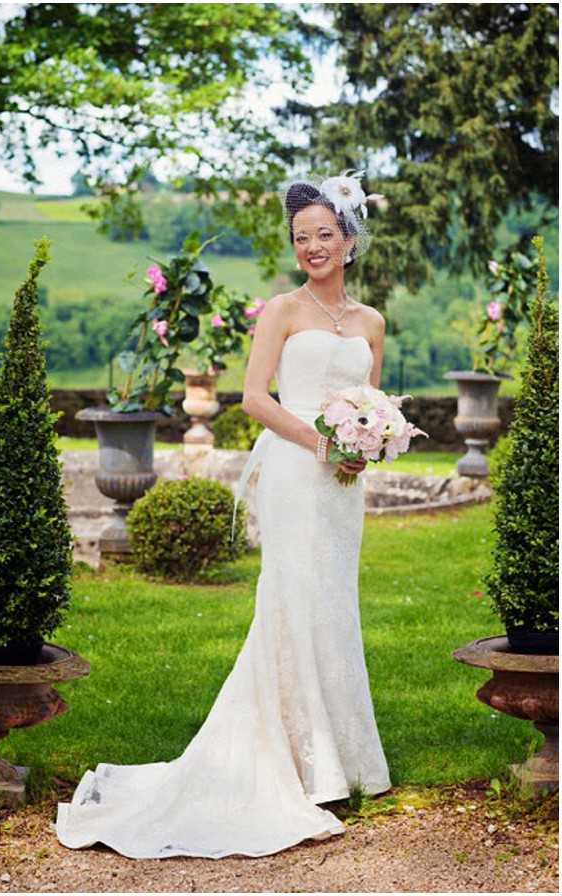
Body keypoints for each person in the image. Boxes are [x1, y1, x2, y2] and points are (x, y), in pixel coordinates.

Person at [55, 170, 392, 860]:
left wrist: (366, 445)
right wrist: (320, 444)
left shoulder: (372, 323)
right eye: (301, 238)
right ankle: (298, 760)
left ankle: (344, 759)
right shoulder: (283, 311)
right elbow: (256, 398)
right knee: (292, 598)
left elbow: (370, 404)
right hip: (296, 471)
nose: (312, 247)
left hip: (341, 485)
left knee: (334, 602)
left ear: (350, 239)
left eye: (324, 234)